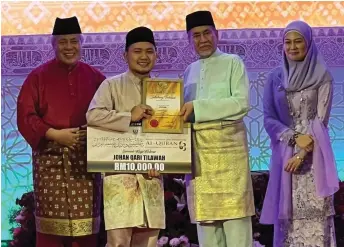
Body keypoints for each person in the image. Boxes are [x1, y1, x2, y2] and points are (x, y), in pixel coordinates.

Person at [17, 16, 106, 247]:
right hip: (50, 160)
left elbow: (109, 111)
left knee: (86, 229)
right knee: (50, 232)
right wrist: (55, 134)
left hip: (85, 159)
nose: (69, 47)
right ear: (53, 45)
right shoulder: (37, 77)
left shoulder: (95, 77)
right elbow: (26, 116)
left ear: (81, 43)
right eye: (63, 42)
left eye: (74, 41)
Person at [260, 20, 339, 247]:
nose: (292, 47)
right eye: (287, 42)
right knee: (288, 222)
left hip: (314, 159)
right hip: (285, 157)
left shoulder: (322, 76)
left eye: (298, 41)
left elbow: (320, 122)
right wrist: (293, 138)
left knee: (315, 221)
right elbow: (269, 118)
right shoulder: (275, 77)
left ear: (309, 43)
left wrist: (302, 153)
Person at [180, 10, 255, 247]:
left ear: (217, 34)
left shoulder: (234, 62)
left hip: (230, 157)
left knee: (236, 228)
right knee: (207, 230)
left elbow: (240, 104)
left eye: (206, 33)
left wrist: (197, 107)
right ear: (189, 40)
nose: (202, 40)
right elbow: (181, 114)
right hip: (200, 157)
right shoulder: (189, 72)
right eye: (196, 35)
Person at [86, 26, 165, 247]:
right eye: (137, 51)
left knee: (149, 241)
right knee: (118, 243)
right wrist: (128, 116)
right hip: (120, 178)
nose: (143, 56)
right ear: (125, 55)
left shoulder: (164, 90)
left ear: (156, 55)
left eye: (149, 51)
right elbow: (92, 115)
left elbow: (172, 132)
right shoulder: (111, 85)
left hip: (152, 176)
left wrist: (164, 160)